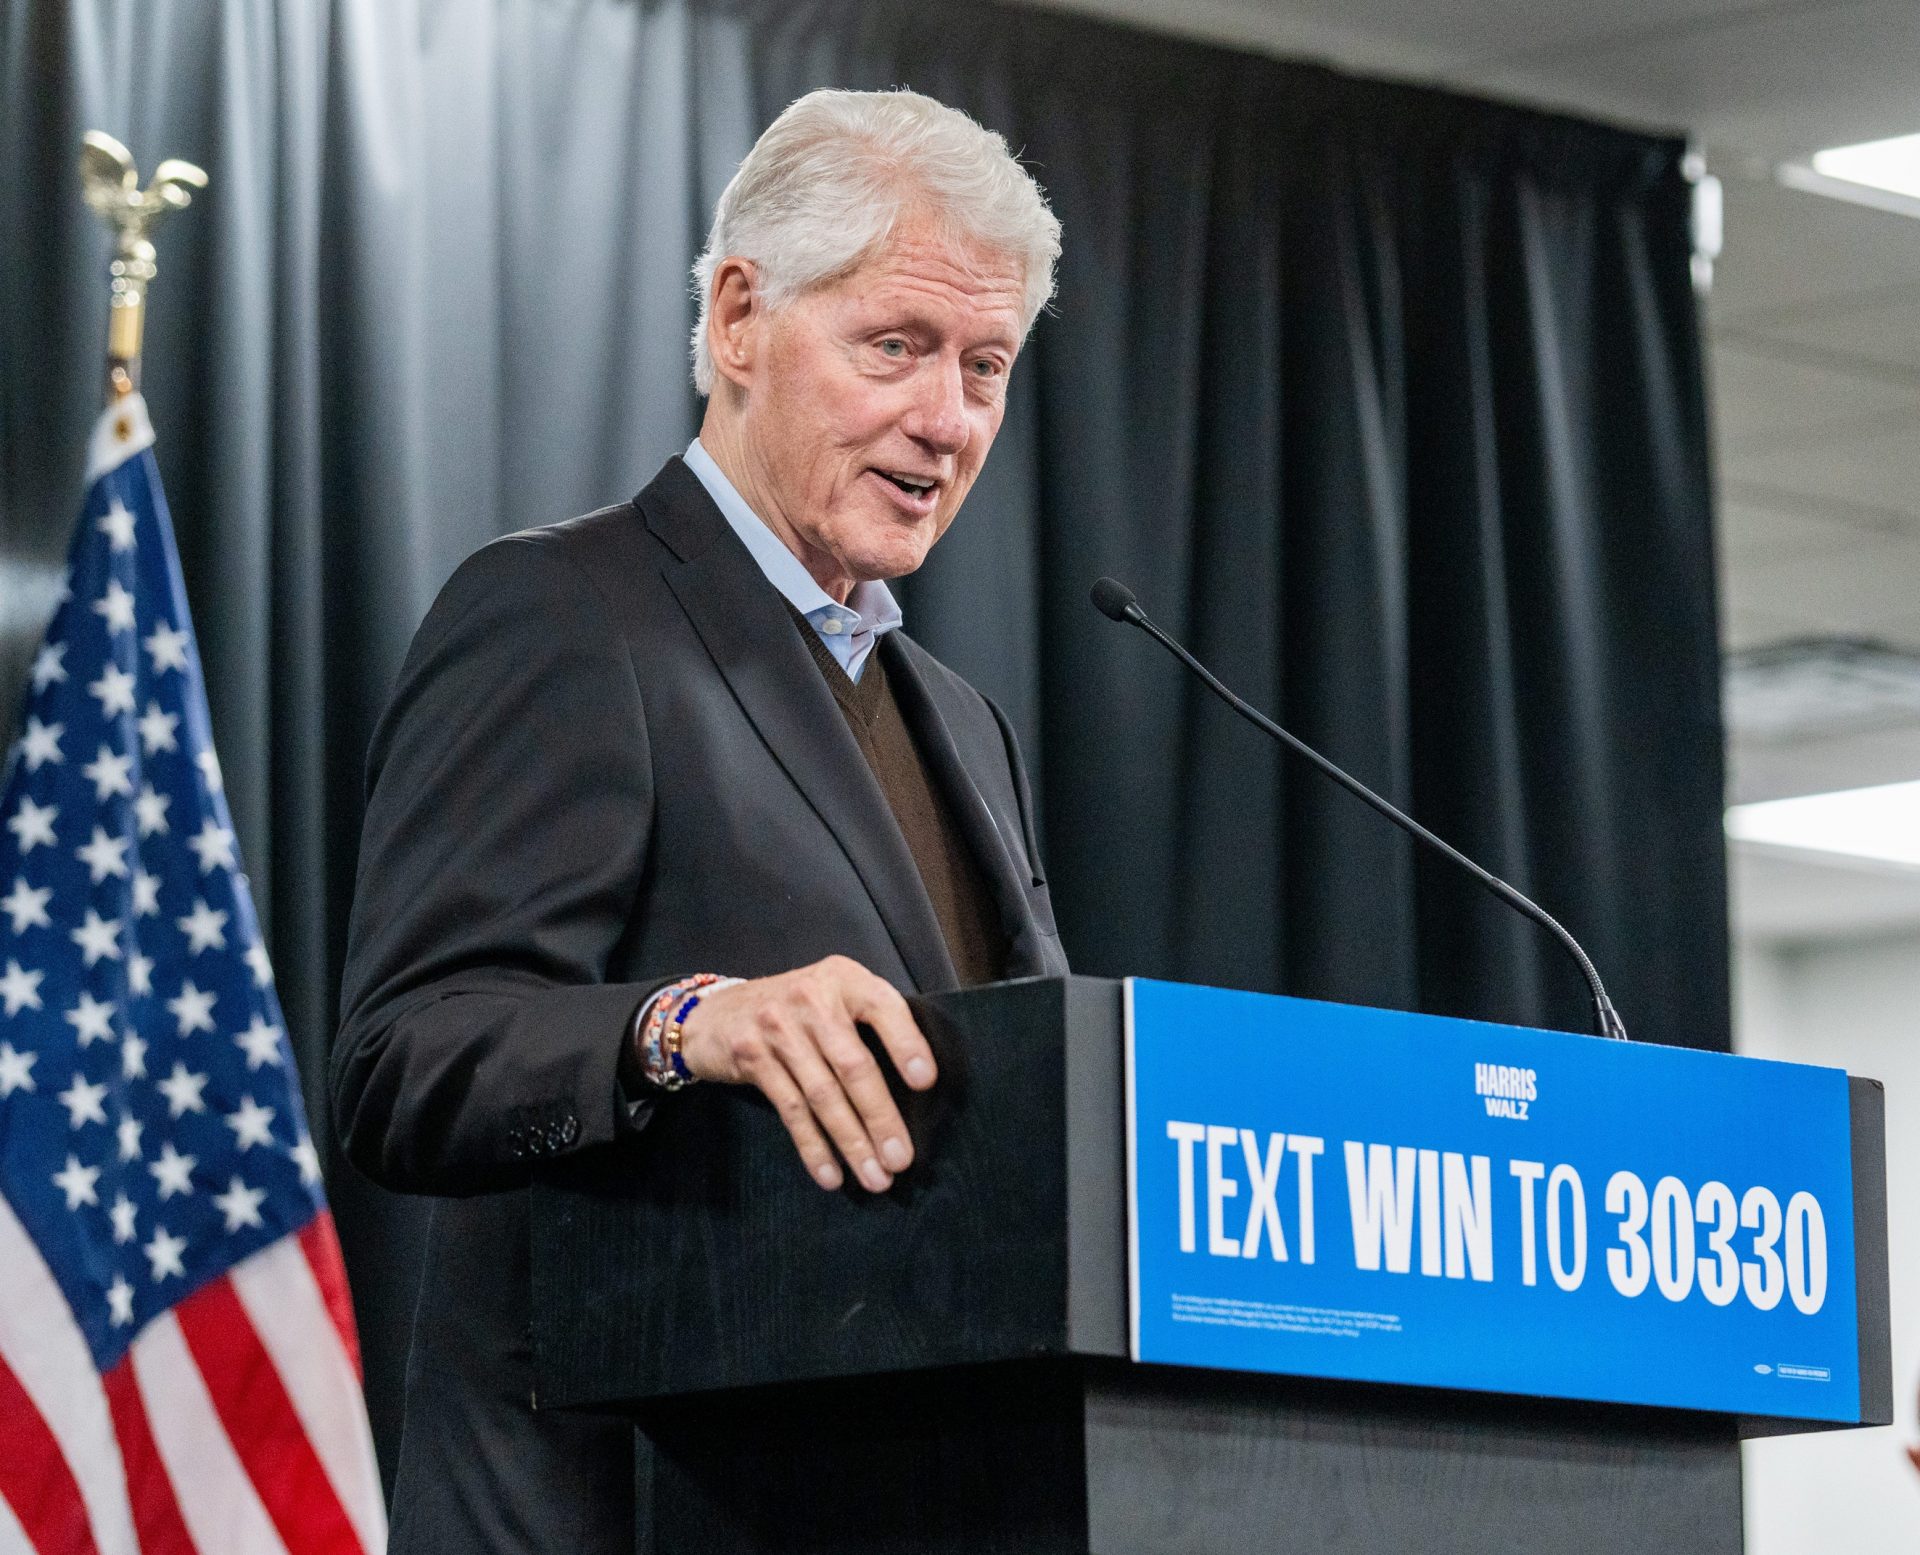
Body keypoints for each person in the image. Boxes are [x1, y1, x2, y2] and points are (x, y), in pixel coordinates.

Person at [330, 87, 1067, 1553]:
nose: (949, 418)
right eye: (898, 348)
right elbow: (401, 1058)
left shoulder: (963, 722)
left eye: (986, 366)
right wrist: (684, 1025)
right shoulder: (565, 617)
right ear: (739, 318)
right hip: (625, 1509)